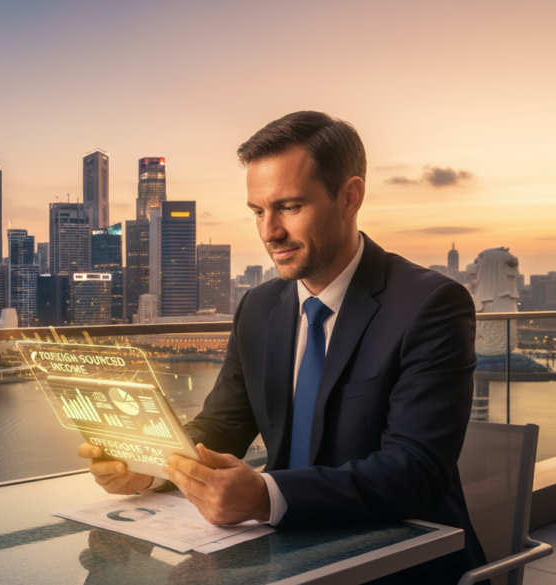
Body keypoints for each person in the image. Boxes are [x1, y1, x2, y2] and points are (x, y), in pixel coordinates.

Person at [79, 111, 486, 582]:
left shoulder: (430, 304)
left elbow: (415, 472)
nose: (269, 232)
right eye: (258, 211)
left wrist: (265, 496)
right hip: (282, 559)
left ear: (350, 197)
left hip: (404, 563)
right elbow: (223, 425)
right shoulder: (258, 307)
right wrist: (149, 466)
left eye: (289, 207)